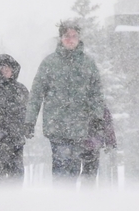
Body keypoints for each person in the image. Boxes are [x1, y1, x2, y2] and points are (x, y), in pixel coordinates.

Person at [25, 20, 107, 182]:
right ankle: (61, 201)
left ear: (79, 38)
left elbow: (96, 93)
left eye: (74, 36)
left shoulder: (87, 63)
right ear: (61, 38)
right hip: (57, 127)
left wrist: (98, 117)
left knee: (74, 169)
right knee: (61, 167)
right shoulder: (49, 63)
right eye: (67, 36)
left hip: (79, 127)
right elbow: (36, 94)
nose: (71, 39)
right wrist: (29, 121)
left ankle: (68, 204)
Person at [0, 54, 28, 182]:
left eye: (8, 67)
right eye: (2, 68)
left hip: (16, 142)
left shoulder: (21, 89)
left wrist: (25, 128)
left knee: (16, 178)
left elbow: (27, 113)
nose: (5, 70)